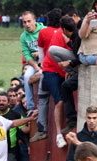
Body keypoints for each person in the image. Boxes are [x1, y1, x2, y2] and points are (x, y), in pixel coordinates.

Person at [35, 8, 67, 146]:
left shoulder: (43, 32)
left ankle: (41, 128)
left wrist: (42, 68)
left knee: (42, 97)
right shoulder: (65, 32)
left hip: (48, 69)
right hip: (62, 69)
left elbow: (41, 53)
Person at [20, 11, 45, 111]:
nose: (27, 24)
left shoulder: (43, 30)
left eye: (29, 21)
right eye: (24, 22)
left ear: (34, 21)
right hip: (33, 62)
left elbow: (50, 47)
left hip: (46, 59)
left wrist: (40, 54)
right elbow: (26, 55)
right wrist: (35, 67)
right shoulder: (23, 36)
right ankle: (30, 106)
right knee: (26, 76)